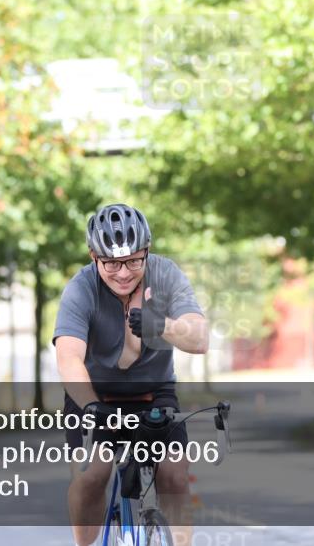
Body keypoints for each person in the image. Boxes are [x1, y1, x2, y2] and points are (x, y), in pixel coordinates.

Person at [52, 203, 208, 546]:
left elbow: (199, 339)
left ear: (147, 252)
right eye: (111, 263)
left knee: (175, 474)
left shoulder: (165, 276)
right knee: (92, 475)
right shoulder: (80, 288)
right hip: (94, 396)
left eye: (134, 261)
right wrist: (91, 406)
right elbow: (68, 358)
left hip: (153, 394)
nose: (123, 273)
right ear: (94, 257)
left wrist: (161, 325)